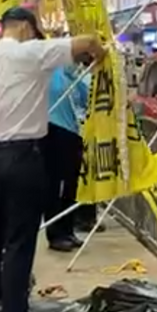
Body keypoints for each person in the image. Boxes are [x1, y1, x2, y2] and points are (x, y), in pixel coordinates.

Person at [0, 7, 105, 312]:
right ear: (26, 28)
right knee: (19, 242)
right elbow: (88, 41)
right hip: (24, 157)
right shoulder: (31, 53)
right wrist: (100, 53)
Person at [42, 63, 90, 252]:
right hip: (52, 132)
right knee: (53, 186)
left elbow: (86, 99)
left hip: (74, 132)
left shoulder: (77, 76)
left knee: (72, 185)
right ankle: (55, 234)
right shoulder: (50, 76)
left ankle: (68, 230)